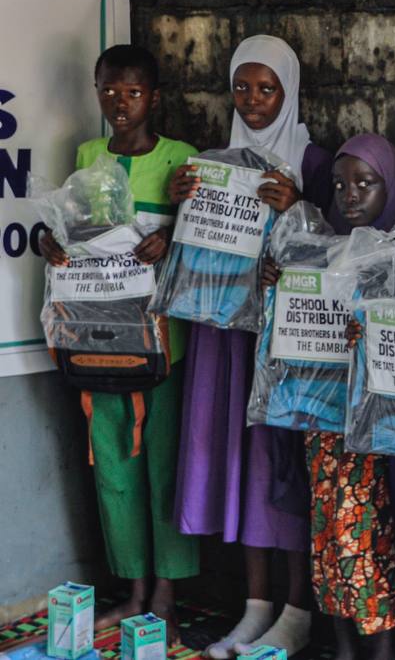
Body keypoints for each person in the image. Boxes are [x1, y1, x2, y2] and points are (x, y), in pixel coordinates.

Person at [169, 35, 333, 659]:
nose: (254, 100)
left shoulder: (311, 161)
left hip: (283, 343)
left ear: (290, 91)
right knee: (240, 464)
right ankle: (255, 605)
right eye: (242, 87)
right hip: (224, 336)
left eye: (267, 89)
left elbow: (341, 244)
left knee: (279, 468)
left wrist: (298, 206)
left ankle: (297, 610)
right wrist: (185, 202)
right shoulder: (216, 163)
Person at [40, 44, 199, 642]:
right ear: (96, 91)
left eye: (133, 92)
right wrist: (51, 245)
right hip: (98, 337)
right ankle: (133, 591)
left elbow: (210, 236)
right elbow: (75, 234)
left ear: (154, 97)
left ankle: (167, 595)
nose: (120, 103)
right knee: (111, 465)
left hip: (163, 342)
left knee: (164, 465)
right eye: (109, 90)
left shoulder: (181, 158)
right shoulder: (87, 156)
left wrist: (173, 237)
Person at [300, 133, 395, 660]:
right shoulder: (321, 250)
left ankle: (380, 647)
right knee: (327, 534)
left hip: (379, 428)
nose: (350, 195)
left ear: (389, 187)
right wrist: (282, 284)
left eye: (365, 184)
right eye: (341, 184)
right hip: (324, 417)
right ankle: (344, 644)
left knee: (369, 538)